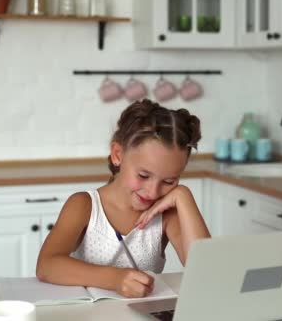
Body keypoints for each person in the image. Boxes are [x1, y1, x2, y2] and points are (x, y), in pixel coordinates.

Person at [36, 99, 210, 297]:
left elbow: (207, 272)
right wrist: (115, 279)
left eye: (170, 181)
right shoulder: (84, 205)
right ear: (117, 154)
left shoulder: (167, 214)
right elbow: (46, 265)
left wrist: (183, 194)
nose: (153, 192)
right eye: (143, 176)